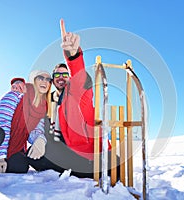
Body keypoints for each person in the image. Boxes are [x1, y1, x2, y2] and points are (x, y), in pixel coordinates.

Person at [28, 19, 119, 179]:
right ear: (53, 80)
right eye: (57, 75)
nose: (61, 77)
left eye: (65, 74)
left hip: (91, 154)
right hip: (67, 153)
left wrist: (73, 54)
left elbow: (79, 74)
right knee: (32, 156)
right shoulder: (50, 102)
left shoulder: (77, 91)